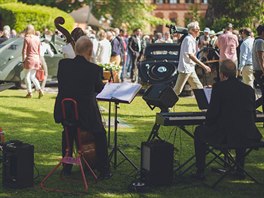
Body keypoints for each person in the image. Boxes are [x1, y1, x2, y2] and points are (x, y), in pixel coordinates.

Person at [193, 59, 262, 180]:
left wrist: (207, 123)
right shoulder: (249, 90)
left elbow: (212, 115)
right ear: (236, 73)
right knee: (240, 130)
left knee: (199, 131)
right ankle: (239, 170)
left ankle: (200, 171)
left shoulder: (219, 87)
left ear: (222, 74)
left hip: (226, 136)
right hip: (248, 134)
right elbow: (252, 115)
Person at [54, 36, 111, 179]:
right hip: (85, 115)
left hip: (65, 111)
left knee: (68, 132)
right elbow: (99, 88)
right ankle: (104, 169)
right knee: (100, 135)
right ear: (90, 51)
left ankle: (66, 168)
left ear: (76, 49)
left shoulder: (63, 64)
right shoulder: (94, 69)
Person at [173, 21, 211, 96]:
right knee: (177, 90)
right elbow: (190, 55)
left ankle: (204, 107)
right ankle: (165, 104)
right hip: (186, 69)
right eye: (197, 29)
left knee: (198, 87)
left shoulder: (192, 39)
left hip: (190, 68)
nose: (199, 31)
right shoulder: (188, 39)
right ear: (192, 30)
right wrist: (204, 66)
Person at [22, 24, 43, 98]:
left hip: (29, 59)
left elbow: (24, 51)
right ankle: (40, 89)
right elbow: (39, 51)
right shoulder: (37, 38)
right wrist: (40, 61)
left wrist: (23, 60)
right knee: (33, 76)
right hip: (36, 58)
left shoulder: (26, 38)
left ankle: (29, 92)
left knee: (27, 76)